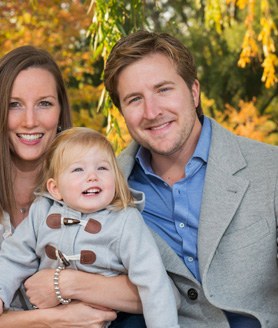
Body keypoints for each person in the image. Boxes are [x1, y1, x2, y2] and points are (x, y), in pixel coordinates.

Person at [0, 46, 141, 328]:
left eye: (44, 103)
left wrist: (67, 283)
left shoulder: (92, 192)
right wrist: (53, 319)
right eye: (14, 104)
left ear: (61, 112)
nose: (30, 120)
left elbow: (152, 286)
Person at [103, 30, 278, 328]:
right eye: (134, 99)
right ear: (121, 112)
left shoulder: (270, 168)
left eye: (163, 90)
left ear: (194, 92)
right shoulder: (105, 190)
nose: (152, 111)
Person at [0, 127, 180, 328]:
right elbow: (13, 257)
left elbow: (153, 280)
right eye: (78, 169)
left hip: (116, 319)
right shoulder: (42, 212)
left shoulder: (125, 220)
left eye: (102, 168)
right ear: (55, 188)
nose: (92, 176)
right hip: (55, 318)